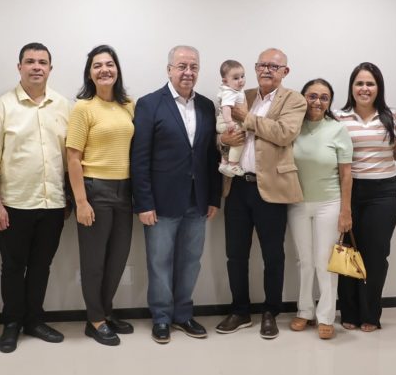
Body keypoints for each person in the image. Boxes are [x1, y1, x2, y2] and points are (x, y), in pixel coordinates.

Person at [0, 42, 71, 353]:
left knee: (42, 266)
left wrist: (68, 198)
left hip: (53, 204)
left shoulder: (63, 106)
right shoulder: (2, 107)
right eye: (30, 61)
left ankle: (34, 321)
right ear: (19, 67)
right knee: (12, 268)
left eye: (42, 62)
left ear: (50, 68)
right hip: (14, 205)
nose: (36, 67)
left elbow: (70, 158)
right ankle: (11, 324)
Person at [130, 45, 221, 344]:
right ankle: (161, 317)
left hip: (198, 200)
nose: (188, 72)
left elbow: (211, 156)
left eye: (194, 67)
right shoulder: (149, 104)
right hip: (160, 202)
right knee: (159, 262)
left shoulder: (206, 106)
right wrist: (144, 202)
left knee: (191, 261)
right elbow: (139, 158)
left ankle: (183, 314)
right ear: (169, 69)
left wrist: (214, 198)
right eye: (182, 66)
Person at [215, 48, 306, 339]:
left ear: (285, 72)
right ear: (255, 68)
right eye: (262, 65)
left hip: (271, 188)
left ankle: (271, 312)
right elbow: (224, 133)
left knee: (273, 255)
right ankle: (240, 311)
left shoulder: (294, 99)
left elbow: (284, 133)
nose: (266, 70)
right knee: (235, 254)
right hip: (237, 186)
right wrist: (223, 139)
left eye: (273, 66)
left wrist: (247, 118)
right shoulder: (243, 94)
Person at [67, 45, 135, 347]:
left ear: (117, 69)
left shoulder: (128, 105)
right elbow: (72, 157)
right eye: (97, 65)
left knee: (117, 259)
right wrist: (81, 201)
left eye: (109, 64)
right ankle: (94, 320)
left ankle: (106, 312)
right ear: (90, 74)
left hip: (125, 190)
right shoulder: (83, 108)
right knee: (94, 261)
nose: (104, 69)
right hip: (95, 190)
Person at [335, 62, 396, 333]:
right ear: (352, 87)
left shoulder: (392, 116)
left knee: (376, 255)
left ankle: (370, 313)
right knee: (348, 252)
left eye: (370, 83)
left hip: (384, 193)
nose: (364, 88)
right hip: (349, 190)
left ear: (379, 88)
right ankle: (349, 312)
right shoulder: (338, 117)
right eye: (359, 83)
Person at [287, 79, 353, 340]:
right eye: (312, 96)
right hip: (297, 203)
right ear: (303, 97)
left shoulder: (338, 129)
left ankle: (326, 317)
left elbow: (346, 174)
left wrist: (346, 211)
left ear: (329, 102)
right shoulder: (293, 127)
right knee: (304, 261)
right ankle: (305, 311)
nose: (317, 101)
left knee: (325, 262)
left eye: (324, 97)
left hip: (329, 204)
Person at [216, 60, 247, 177]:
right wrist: (229, 122)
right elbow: (226, 107)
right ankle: (233, 164)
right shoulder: (230, 92)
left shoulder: (233, 90)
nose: (241, 80)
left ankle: (224, 163)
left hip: (225, 121)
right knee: (239, 139)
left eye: (242, 76)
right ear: (225, 81)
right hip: (226, 121)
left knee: (230, 142)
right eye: (236, 78)